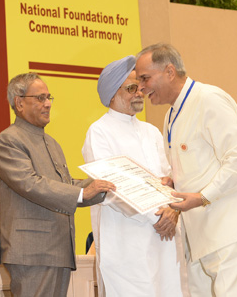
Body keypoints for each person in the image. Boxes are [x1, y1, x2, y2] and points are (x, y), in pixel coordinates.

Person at [135, 43, 237, 297]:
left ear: (169, 71)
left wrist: (201, 196)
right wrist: (173, 182)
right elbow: (194, 166)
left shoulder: (209, 99)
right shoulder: (171, 115)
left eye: (145, 78)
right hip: (202, 237)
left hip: (232, 230)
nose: (141, 88)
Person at [0, 72, 116, 297]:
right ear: (19, 103)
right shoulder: (8, 140)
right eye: (40, 98)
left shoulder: (51, 142)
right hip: (32, 250)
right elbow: (30, 183)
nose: (48, 103)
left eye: (49, 97)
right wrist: (82, 193)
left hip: (57, 248)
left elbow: (64, 184)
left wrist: (106, 184)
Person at [82, 55, 185, 297]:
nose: (140, 92)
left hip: (166, 238)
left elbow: (170, 177)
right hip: (127, 243)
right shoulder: (99, 132)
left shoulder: (151, 131)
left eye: (140, 86)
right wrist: (157, 218)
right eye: (131, 88)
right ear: (112, 95)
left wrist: (173, 210)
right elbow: (111, 190)